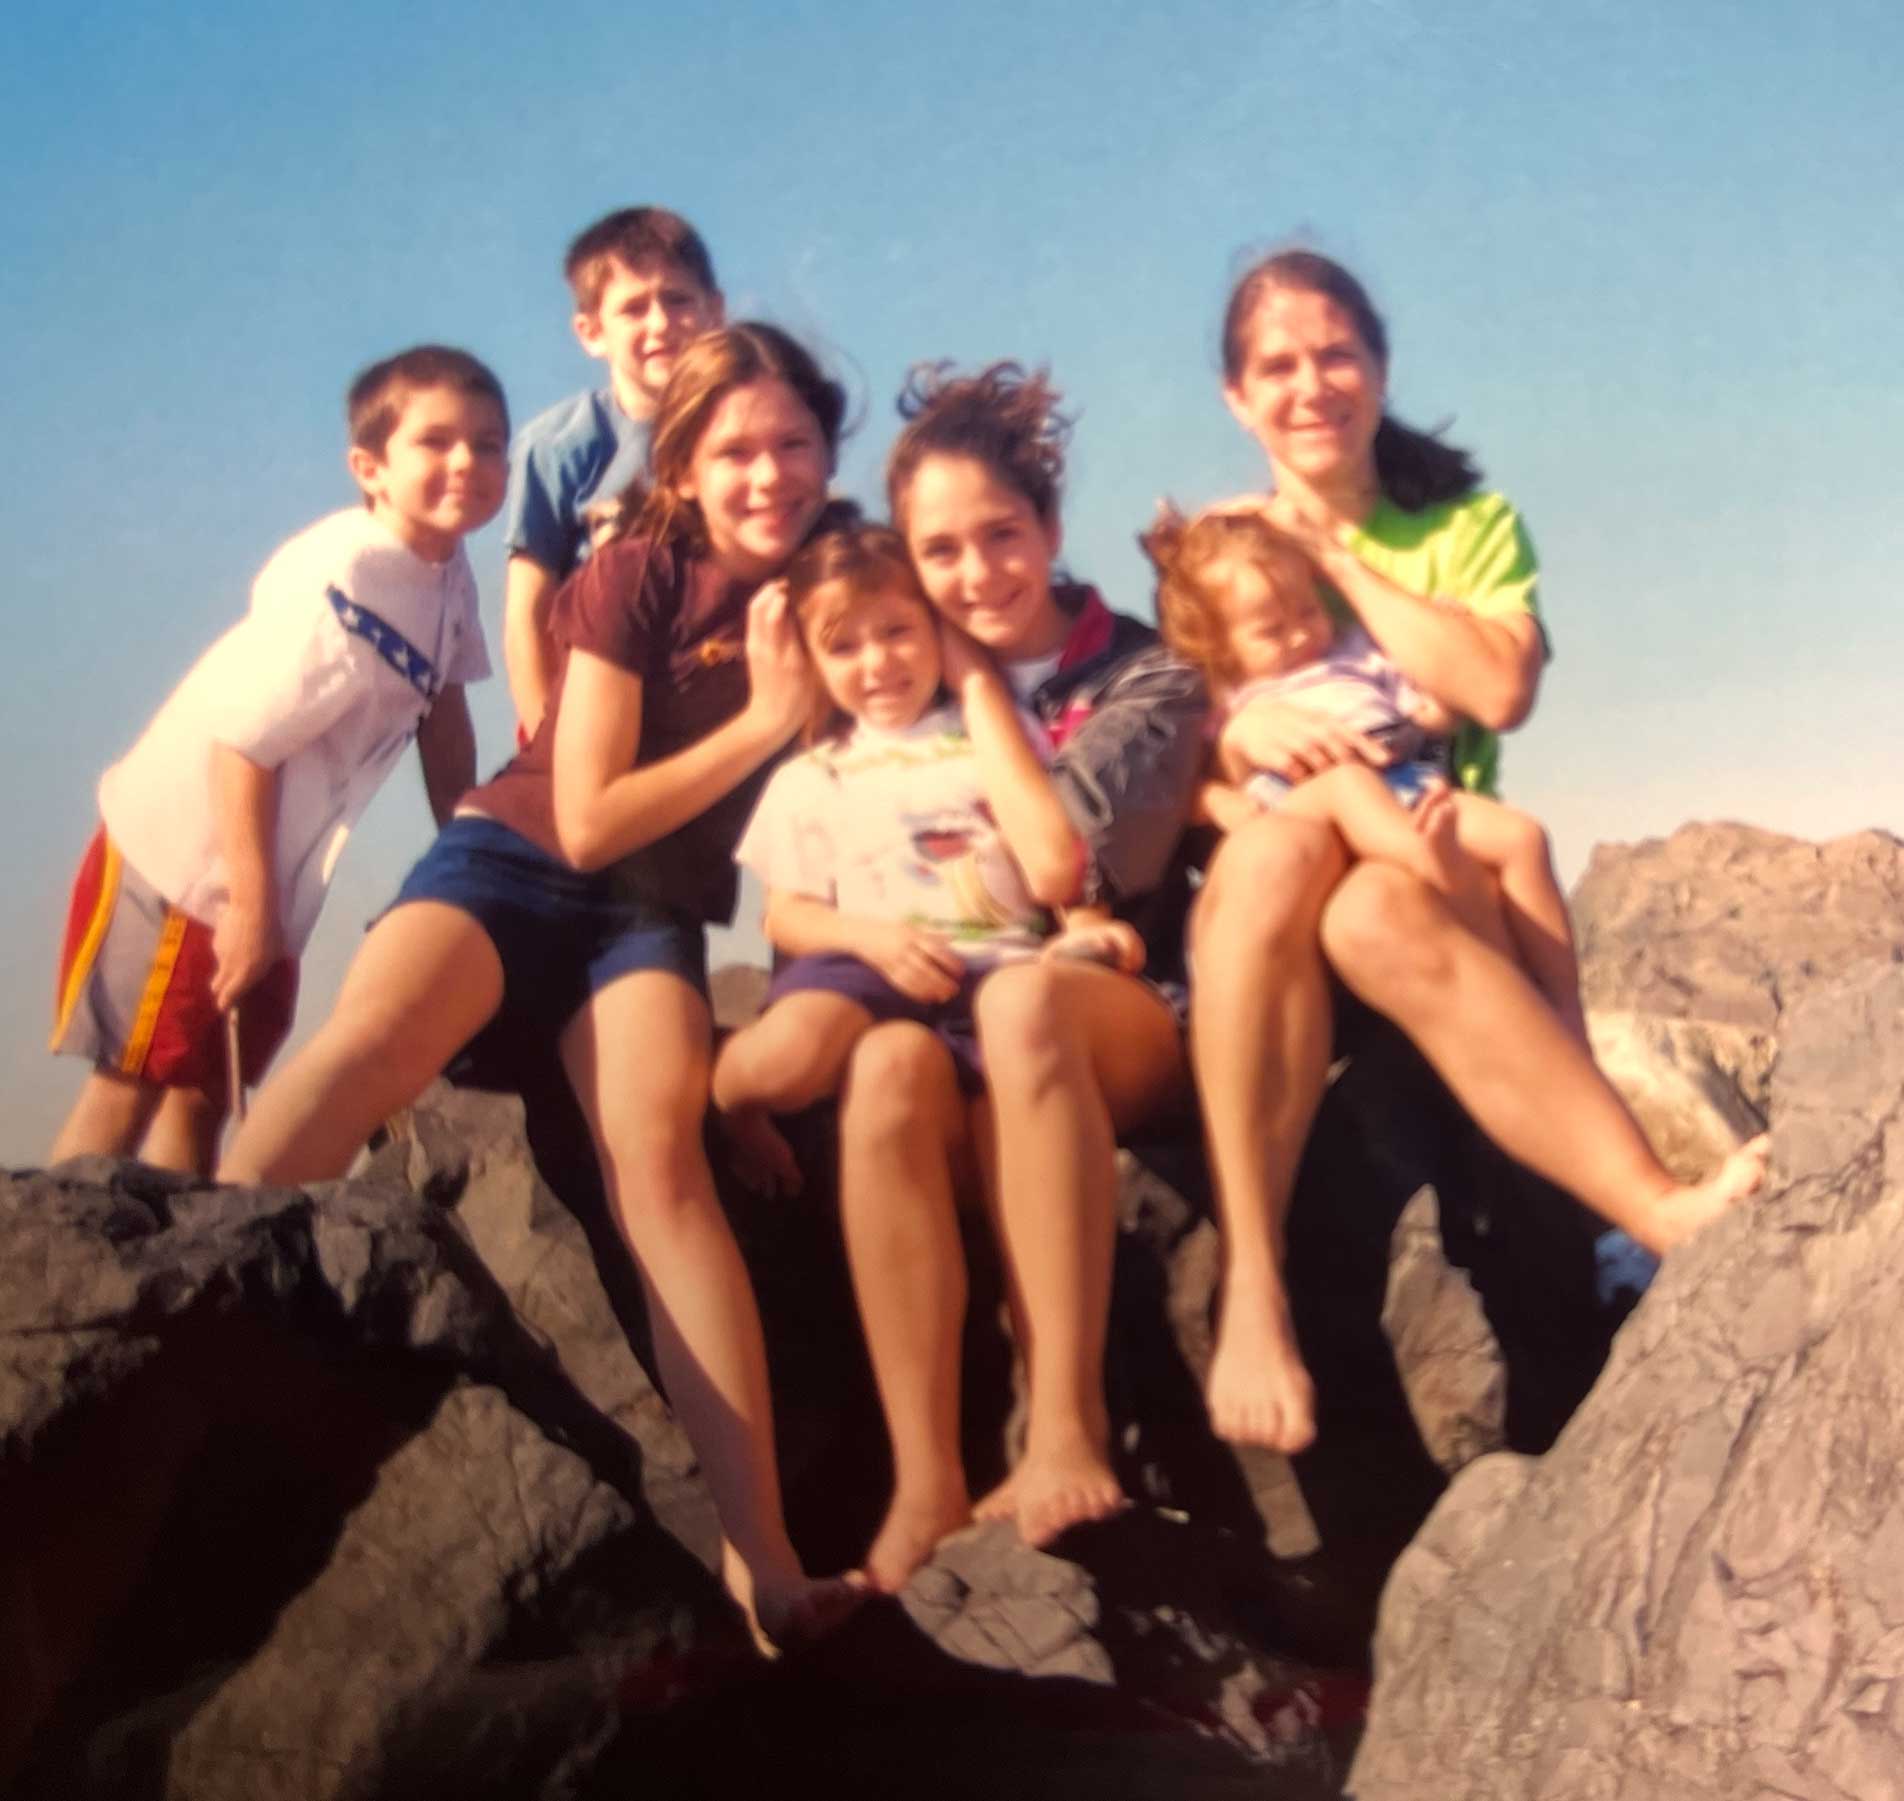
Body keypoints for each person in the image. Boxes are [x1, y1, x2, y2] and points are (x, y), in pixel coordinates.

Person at [220, 323, 860, 1649]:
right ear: (681, 466)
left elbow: (855, 812)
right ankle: (185, 1295)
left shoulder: (838, 590)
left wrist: (766, 1064)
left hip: (648, 923)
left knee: (663, 1173)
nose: (769, 473)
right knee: (366, 1050)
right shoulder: (636, 573)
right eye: (734, 448)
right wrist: (760, 720)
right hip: (516, 859)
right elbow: (587, 812)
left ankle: (767, 1565)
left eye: (795, 441)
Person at [1188, 250, 1770, 1458]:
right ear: (1237, 397)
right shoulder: (1216, 552)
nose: (1311, 386)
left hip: (1430, 887)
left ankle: (1651, 1208)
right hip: (1291, 899)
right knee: (1279, 873)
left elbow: (1495, 688)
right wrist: (1235, 740)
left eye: (1335, 355)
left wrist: (1335, 554)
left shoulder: (1462, 528)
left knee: (1374, 913)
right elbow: (1178, 743)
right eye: (1277, 367)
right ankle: (1254, 1285)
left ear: (1381, 368)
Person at [829, 361, 1207, 1587]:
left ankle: (1063, 1429)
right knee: (885, 1066)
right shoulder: (888, 686)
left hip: (1120, 1017)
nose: (977, 572)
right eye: (939, 551)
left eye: (1002, 536)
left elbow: (1070, 876)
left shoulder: (1149, 677)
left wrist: (978, 684)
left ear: (1050, 528)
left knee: (1027, 993)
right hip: (945, 1025)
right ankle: (925, 1476)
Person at [49, 345, 505, 1174]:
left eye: (488, 442)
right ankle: (48, 1283)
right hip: (188, 860)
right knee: (131, 1082)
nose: (467, 462)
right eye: (435, 442)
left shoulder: (444, 570)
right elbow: (240, 743)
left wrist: (469, 850)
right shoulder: (344, 582)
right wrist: (250, 908)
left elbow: (445, 714)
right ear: (369, 467)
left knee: (207, 1094)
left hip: (269, 876)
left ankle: (174, 1288)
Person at [711, 520, 1108, 1191]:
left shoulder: (1001, 738)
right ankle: (732, 1098)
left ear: (938, 630)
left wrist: (1084, 925)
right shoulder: (815, 774)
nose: (879, 663)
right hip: (866, 966)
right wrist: (869, 939)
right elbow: (784, 916)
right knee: (790, 1057)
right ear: (811, 661)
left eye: (898, 631)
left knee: (1003, 1138)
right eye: (843, 646)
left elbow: (1050, 840)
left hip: (998, 971)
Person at [1148, 503, 1584, 1036]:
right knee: (1353, 790)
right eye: (1271, 631)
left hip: (1402, 779)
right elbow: (1200, 779)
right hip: (1307, 800)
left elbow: (1432, 714)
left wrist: (1446, 640)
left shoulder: (1357, 654)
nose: (1300, 636)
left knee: (1523, 837)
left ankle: (1565, 1011)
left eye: (1309, 611)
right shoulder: (1232, 698)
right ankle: (1426, 860)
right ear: (1220, 647)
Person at [503, 207, 724, 742]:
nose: (660, 324)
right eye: (633, 308)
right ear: (592, 332)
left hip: (725, 703)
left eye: (677, 299)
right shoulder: (559, 446)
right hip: (600, 718)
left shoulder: (749, 429)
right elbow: (527, 612)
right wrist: (547, 739)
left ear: (714, 311)